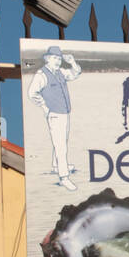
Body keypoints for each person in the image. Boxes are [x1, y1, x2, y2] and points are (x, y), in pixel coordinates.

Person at [27, 45, 81, 190]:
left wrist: (73, 62)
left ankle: (56, 165)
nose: (57, 61)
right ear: (47, 59)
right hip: (55, 114)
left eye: (58, 58)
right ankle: (64, 177)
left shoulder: (60, 72)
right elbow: (32, 93)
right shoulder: (41, 75)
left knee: (62, 140)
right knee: (60, 145)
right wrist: (45, 107)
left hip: (64, 112)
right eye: (54, 58)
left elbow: (75, 73)